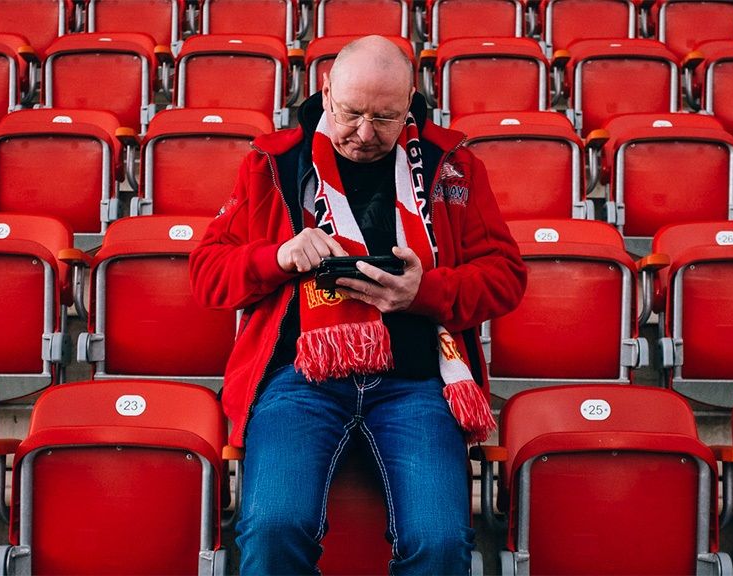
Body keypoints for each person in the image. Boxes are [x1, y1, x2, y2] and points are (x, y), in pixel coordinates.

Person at [189, 35, 526, 574]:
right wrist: (277, 257)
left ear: (411, 102)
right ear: (325, 93)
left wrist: (425, 293)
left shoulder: (453, 164)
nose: (365, 134)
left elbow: (506, 279)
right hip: (301, 377)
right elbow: (207, 276)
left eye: (385, 118)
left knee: (441, 543)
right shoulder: (271, 162)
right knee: (272, 528)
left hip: (417, 379)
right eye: (351, 113)